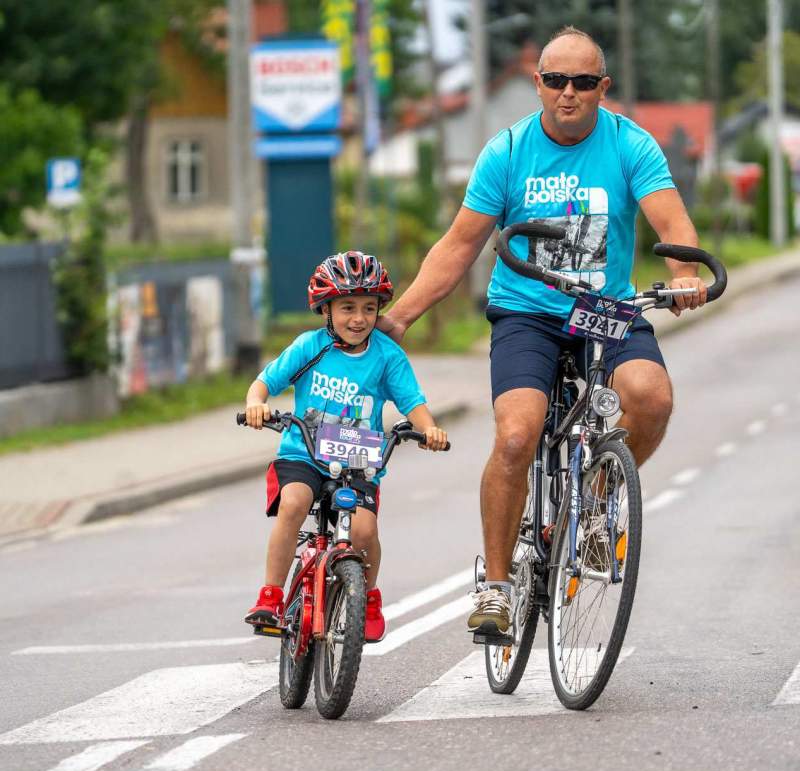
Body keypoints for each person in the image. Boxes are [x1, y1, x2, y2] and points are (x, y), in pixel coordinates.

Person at [378, 26, 707, 637]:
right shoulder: (506, 153)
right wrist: (399, 316)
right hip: (526, 311)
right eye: (556, 80)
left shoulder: (630, 144)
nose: (569, 94)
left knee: (652, 397)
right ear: (538, 84)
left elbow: (670, 216)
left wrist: (683, 272)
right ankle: (498, 587)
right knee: (516, 436)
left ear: (602, 88)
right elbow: (459, 245)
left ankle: (598, 508)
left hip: (604, 308)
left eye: (584, 83)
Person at [243, 251, 448, 643]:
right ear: (326, 309)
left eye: (369, 308)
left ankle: (367, 597)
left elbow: (413, 404)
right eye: (348, 307)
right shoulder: (310, 346)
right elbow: (264, 382)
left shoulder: (388, 356)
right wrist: (256, 404)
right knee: (294, 503)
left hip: (359, 462)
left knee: (365, 530)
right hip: (303, 453)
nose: (359, 318)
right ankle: (270, 596)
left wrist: (430, 430)